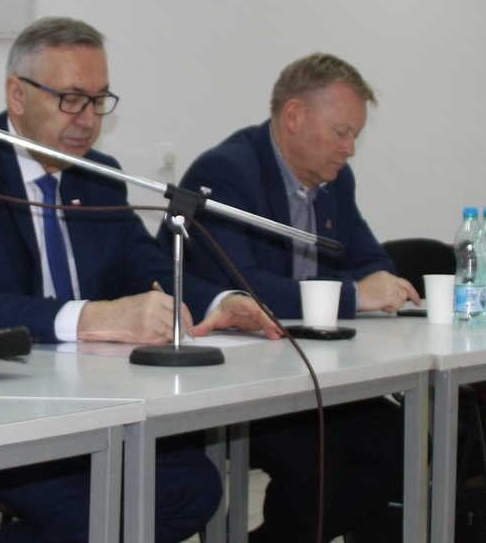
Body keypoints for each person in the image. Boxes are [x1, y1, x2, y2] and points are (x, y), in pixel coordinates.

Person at [0, 17, 282, 543]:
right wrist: (93, 317)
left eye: (99, 100)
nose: (88, 119)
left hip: (86, 402)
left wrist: (221, 303)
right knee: (109, 510)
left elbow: (150, 269)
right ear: (17, 95)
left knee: (193, 486)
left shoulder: (98, 174)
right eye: (71, 99)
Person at [177, 52, 418, 543]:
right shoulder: (225, 173)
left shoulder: (334, 180)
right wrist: (352, 295)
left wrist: (372, 287)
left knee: (407, 442)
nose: (350, 149)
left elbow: (373, 263)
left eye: (355, 135)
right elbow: (245, 288)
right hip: (241, 377)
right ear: (293, 116)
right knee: (317, 463)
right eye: (341, 132)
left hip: (314, 369)